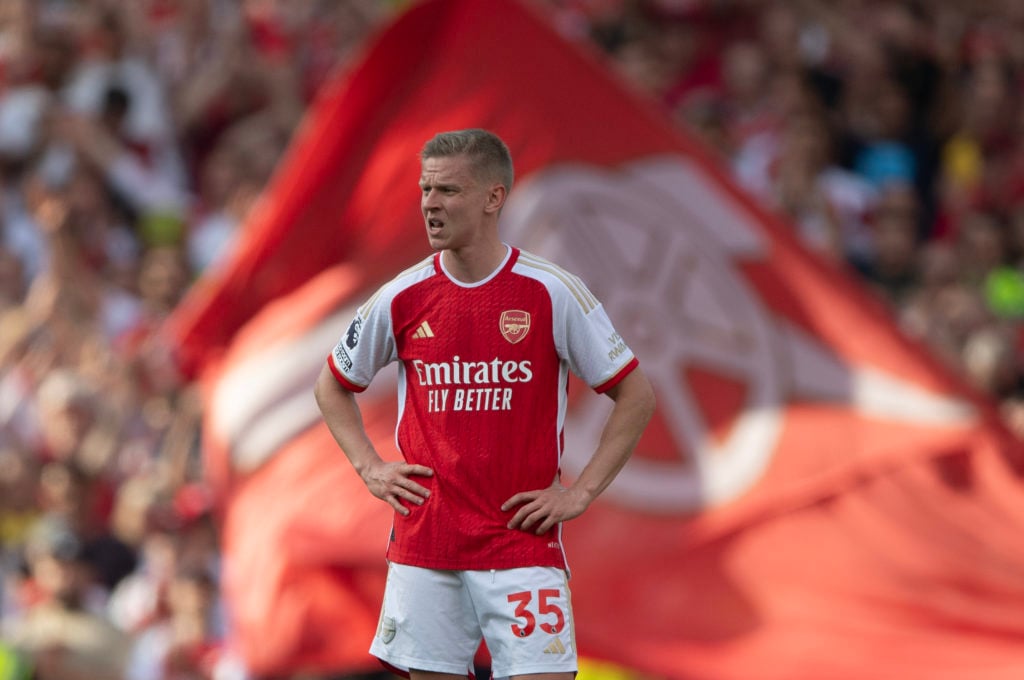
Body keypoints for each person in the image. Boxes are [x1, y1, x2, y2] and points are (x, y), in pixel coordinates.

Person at [313, 128, 655, 679]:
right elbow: (332, 384)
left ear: (493, 197)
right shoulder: (402, 295)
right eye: (425, 190)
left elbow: (635, 394)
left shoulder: (551, 291)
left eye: (447, 191)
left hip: (521, 543)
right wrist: (370, 468)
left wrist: (581, 492)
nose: (429, 204)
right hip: (428, 543)